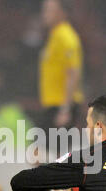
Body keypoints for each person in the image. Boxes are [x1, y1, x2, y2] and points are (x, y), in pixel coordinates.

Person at [37, 0, 84, 159]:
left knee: (53, 155)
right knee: (44, 154)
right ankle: (55, 183)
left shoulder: (66, 37)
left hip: (61, 105)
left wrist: (65, 108)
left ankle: (66, 183)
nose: (45, 14)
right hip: (52, 104)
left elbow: (73, 72)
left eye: (49, 10)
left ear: (62, 13)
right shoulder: (54, 36)